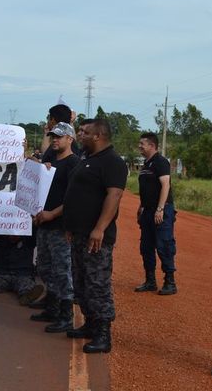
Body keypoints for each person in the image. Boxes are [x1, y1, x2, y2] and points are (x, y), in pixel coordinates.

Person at [62, 118, 127, 353]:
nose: (80, 134)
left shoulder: (113, 162)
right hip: (79, 234)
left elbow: (114, 196)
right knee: (81, 282)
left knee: (97, 284)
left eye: (84, 132)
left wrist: (99, 228)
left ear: (98, 135)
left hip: (96, 237)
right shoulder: (87, 159)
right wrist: (70, 226)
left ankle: (103, 334)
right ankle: (89, 324)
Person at [30, 122, 80, 333]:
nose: (55, 140)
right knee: (45, 267)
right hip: (44, 224)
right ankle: (51, 308)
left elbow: (74, 198)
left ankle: (66, 315)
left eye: (59, 137)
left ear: (70, 139)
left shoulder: (74, 164)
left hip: (60, 226)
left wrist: (53, 213)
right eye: (53, 137)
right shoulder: (49, 161)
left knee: (62, 271)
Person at [134, 132, 177, 295]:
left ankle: (170, 282)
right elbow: (146, 189)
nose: (139, 146)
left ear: (152, 146)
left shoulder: (161, 162)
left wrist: (160, 209)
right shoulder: (146, 164)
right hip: (147, 210)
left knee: (164, 244)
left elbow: (165, 185)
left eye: (142, 144)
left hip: (161, 210)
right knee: (146, 246)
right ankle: (150, 281)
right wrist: (141, 207)